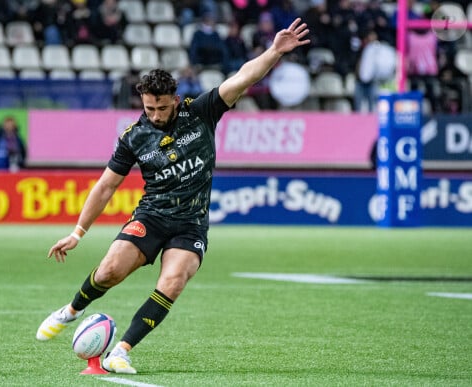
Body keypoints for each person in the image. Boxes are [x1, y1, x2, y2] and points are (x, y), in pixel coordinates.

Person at [36, 18, 310, 374]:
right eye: (149, 108)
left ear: (175, 101)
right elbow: (106, 185)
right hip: (151, 216)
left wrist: (273, 51)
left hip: (191, 224)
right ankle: (71, 310)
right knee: (108, 272)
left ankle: (121, 350)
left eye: (161, 108)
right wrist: (77, 233)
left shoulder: (201, 112)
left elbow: (243, 77)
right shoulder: (134, 136)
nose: (155, 115)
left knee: (173, 281)